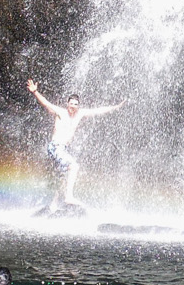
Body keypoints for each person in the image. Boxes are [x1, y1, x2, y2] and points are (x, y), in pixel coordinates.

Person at [25, 79, 125, 209]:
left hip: (62, 149)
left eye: (75, 104)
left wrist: (115, 107)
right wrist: (35, 92)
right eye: (71, 103)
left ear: (78, 106)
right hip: (55, 147)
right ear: (67, 104)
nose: (73, 106)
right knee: (74, 166)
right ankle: (69, 197)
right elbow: (46, 103)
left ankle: (53, 204)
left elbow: (97, 110)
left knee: (62, 175)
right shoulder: (60, 112)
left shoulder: (80, 114)